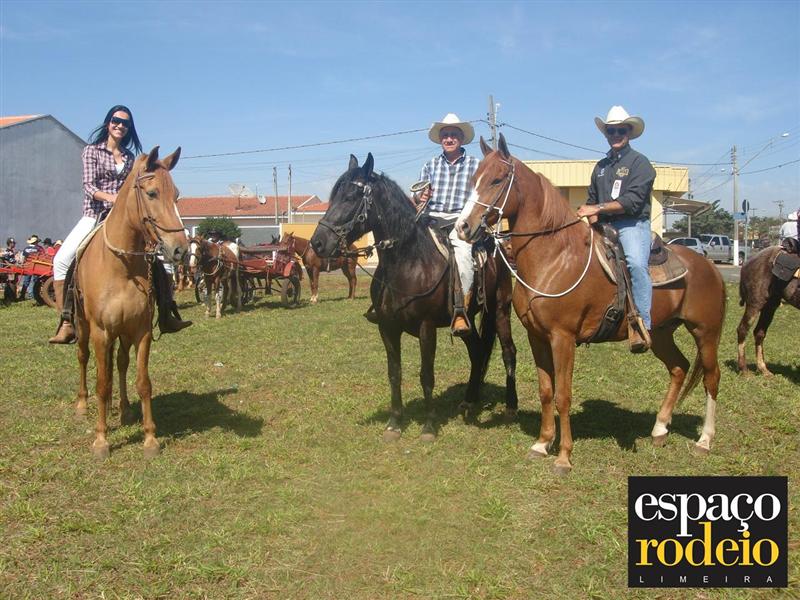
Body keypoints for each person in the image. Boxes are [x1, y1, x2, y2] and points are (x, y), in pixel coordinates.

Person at [49, 105, 191, 344]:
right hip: (95, 214)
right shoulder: (91, 151)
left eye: (125, 123)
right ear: (108, 123)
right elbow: (89, 187)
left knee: (162, 261)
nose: (120, 125)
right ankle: (66, 321)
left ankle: (167, 313)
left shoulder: (129, 158)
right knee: (61, 260)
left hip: (126, 218)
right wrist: (114, 199)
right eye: (116, 120)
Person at [577, 106, 656, 353]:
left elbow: (632, 201)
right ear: (606, 134)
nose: (616, 135)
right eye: (611, 131)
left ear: (629, 132)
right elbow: (591, 199)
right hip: (604, 226)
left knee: (635, 264)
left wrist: (596, 208)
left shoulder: (640, 163)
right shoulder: (600, 167)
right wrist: (593, 222)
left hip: (632, 224)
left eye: (621, 130)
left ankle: (641, 323)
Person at [414, 113, 480, 336]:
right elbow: (418, 193)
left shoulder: (475, 165)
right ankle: (388, 300)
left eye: (453, 135)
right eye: (445, 135)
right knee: (400, 245)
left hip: (460, 219)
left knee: (463, 255)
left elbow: (481, 196)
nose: (449, 139)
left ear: (461, 139)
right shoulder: (430, 165)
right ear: (440, 139)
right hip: (431, 218)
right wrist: (420, 197)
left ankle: (461, 310)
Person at [20, 235, 43, 300]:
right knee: (35, 281)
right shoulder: (38, 249)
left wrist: (23, 264)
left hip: (28, 266)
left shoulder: (26, 249)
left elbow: (24, 258)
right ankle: (33, 295)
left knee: (26, 281)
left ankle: (22, 295)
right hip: (35, 267)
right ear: (36, 242)